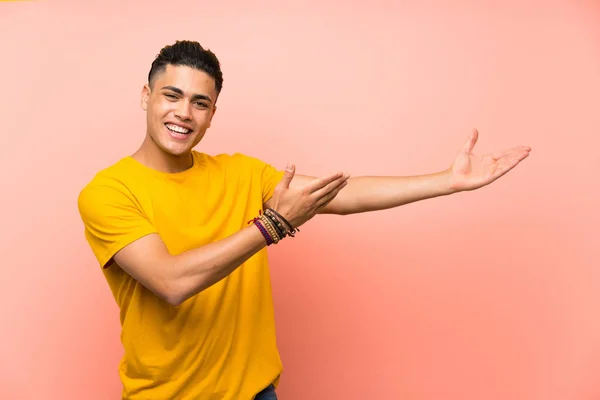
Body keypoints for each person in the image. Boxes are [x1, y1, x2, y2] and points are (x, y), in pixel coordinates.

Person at [77, 40, 531, 400]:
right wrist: (270, 226)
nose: (183, 113)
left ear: (213, 115)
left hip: (257, 393)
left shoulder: (238, 171)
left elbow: (340, 192)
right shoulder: (108, 192)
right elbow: (172, 282)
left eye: (200, 103)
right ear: (146, 96)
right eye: (171, 95)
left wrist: (446, 181)